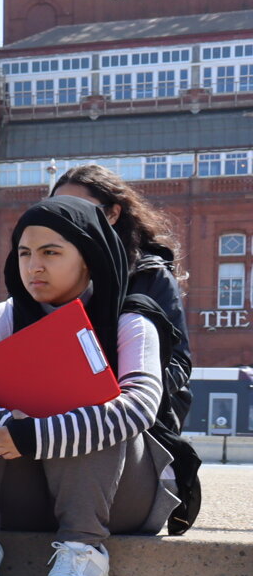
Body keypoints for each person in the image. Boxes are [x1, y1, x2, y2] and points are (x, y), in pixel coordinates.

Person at [0, 196, 179, 576]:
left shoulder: (130, 318)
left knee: (96, 405)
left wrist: (37, 434)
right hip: (27, 494)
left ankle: (85, 554)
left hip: (118, 497)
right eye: (24, 253)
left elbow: (139, 407)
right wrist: (0, 420)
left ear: (88, 257)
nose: (33, 266)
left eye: (50, 253)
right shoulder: (8, 315)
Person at [52, 164, 193, 431]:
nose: (67, 218)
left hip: (133, 420)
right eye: (60, 209)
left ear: (113, 213)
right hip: (61, 413)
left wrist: (125, 390)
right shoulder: (46, 275)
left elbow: (179, 363)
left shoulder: (149, 276)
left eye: (79, 207)